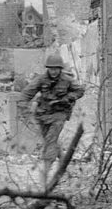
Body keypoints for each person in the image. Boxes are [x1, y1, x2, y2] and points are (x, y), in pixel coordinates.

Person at [18, 53, 85, 187]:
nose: (53, 71)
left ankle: (45, 178)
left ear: (60, 69)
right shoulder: (41, 79)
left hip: (59, 114)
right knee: (51, 141)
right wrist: (24, 109)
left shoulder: (67, 80)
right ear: (47, 68)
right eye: (51, 69)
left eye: (56, 69)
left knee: (50, 142)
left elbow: (80, 91)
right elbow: (26, 94)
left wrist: (68, 98)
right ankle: (65, 168)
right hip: (43, 115)